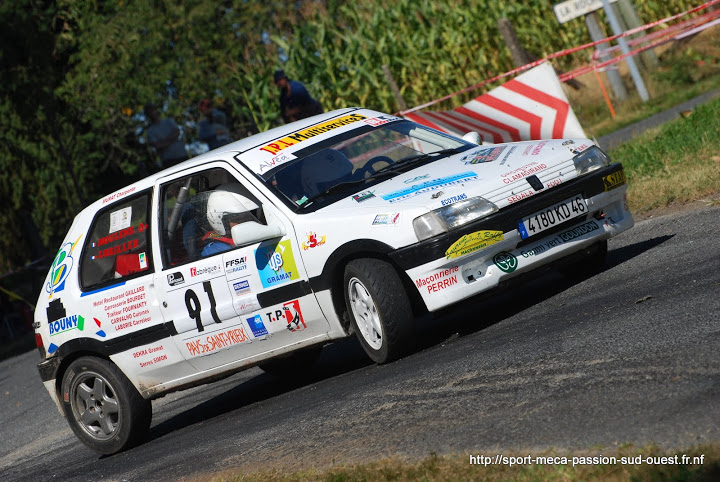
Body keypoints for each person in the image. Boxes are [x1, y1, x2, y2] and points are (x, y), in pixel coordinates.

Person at [201, 185, 261, 257]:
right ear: (222, 222)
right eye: (238, 219)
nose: (246, 222)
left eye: (249, 216)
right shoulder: (215, 250)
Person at [144, 103, 188, 170]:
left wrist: (164, 142)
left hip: (181, 155)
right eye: (150, 111)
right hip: (168, 160)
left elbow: (177, 132)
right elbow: (157, 145)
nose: (152, 113)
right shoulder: (150, 131)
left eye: (153, 110)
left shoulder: (168, 121)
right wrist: (171, 139)